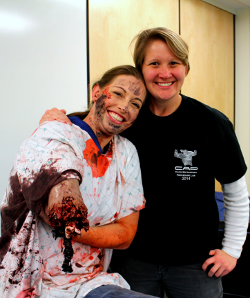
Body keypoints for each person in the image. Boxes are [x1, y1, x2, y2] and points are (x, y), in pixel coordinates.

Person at [37, 27, 249, 298]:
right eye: (154, 64)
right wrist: (57, 121)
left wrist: (232, 250)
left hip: (195, 264)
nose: (164, 73)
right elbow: (87, 128)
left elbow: (236, 194)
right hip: (131, 261)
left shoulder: (212, 124)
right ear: (141, 69)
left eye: (174, 63)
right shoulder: (127, 119)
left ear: (186, 68)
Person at [0, 65, 159, 298]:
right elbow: (65, 212)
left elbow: (125, 235)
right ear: (97, 93)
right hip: (32, 284)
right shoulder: (56, 134)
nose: (125, 106)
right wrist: (82, 226)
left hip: (91, 282)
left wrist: (71, 228)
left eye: (135, 104)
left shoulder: (126, 153)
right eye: (118, 93)